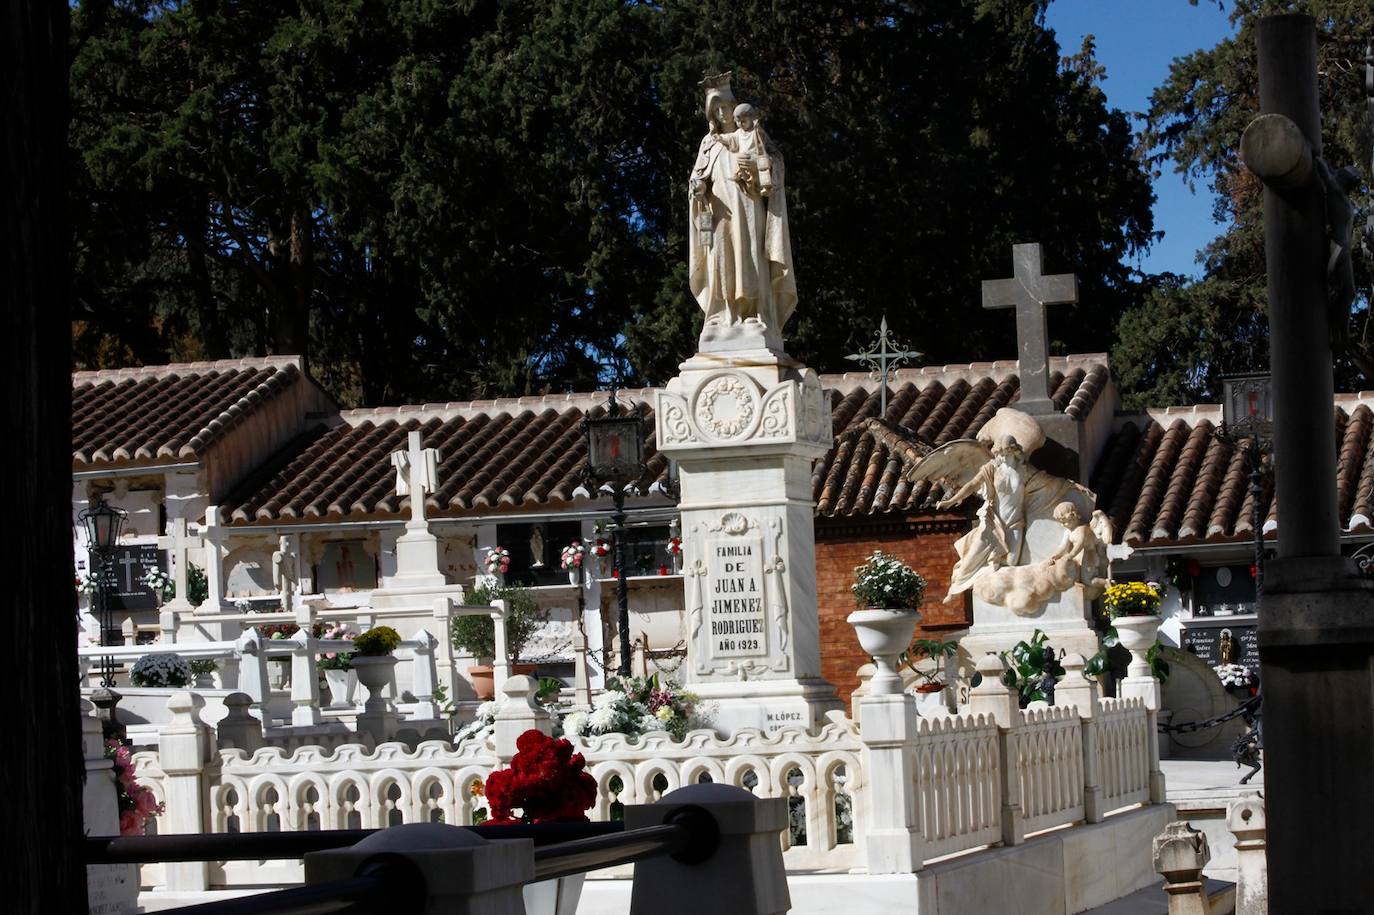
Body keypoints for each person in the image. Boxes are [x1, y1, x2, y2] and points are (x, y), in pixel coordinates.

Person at [687, 74, 796, 353]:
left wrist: (757, 168)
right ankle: (726, 315)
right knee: (722, 261)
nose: (722, 113)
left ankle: (755, 315)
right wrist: (698, 189)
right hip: (719, 212)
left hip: (748, 207)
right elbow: (697, 180)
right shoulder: (709, 144)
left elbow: (774, 165)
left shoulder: (755, 135)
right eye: (716, 110)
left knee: (749, 257)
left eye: (725, 107)